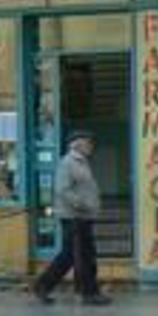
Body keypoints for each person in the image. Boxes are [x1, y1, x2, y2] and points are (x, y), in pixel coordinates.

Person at [33, 130, 109, 305]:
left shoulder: (81, 163)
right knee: (84, 256)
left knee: (70, 256)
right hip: (75, 217)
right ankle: (88, 293)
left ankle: (43, 286)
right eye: (88, 142)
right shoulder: (68, 163)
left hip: (83, 217)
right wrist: (82, 204)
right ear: (77, 144)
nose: (91, 146)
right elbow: (62, 189)